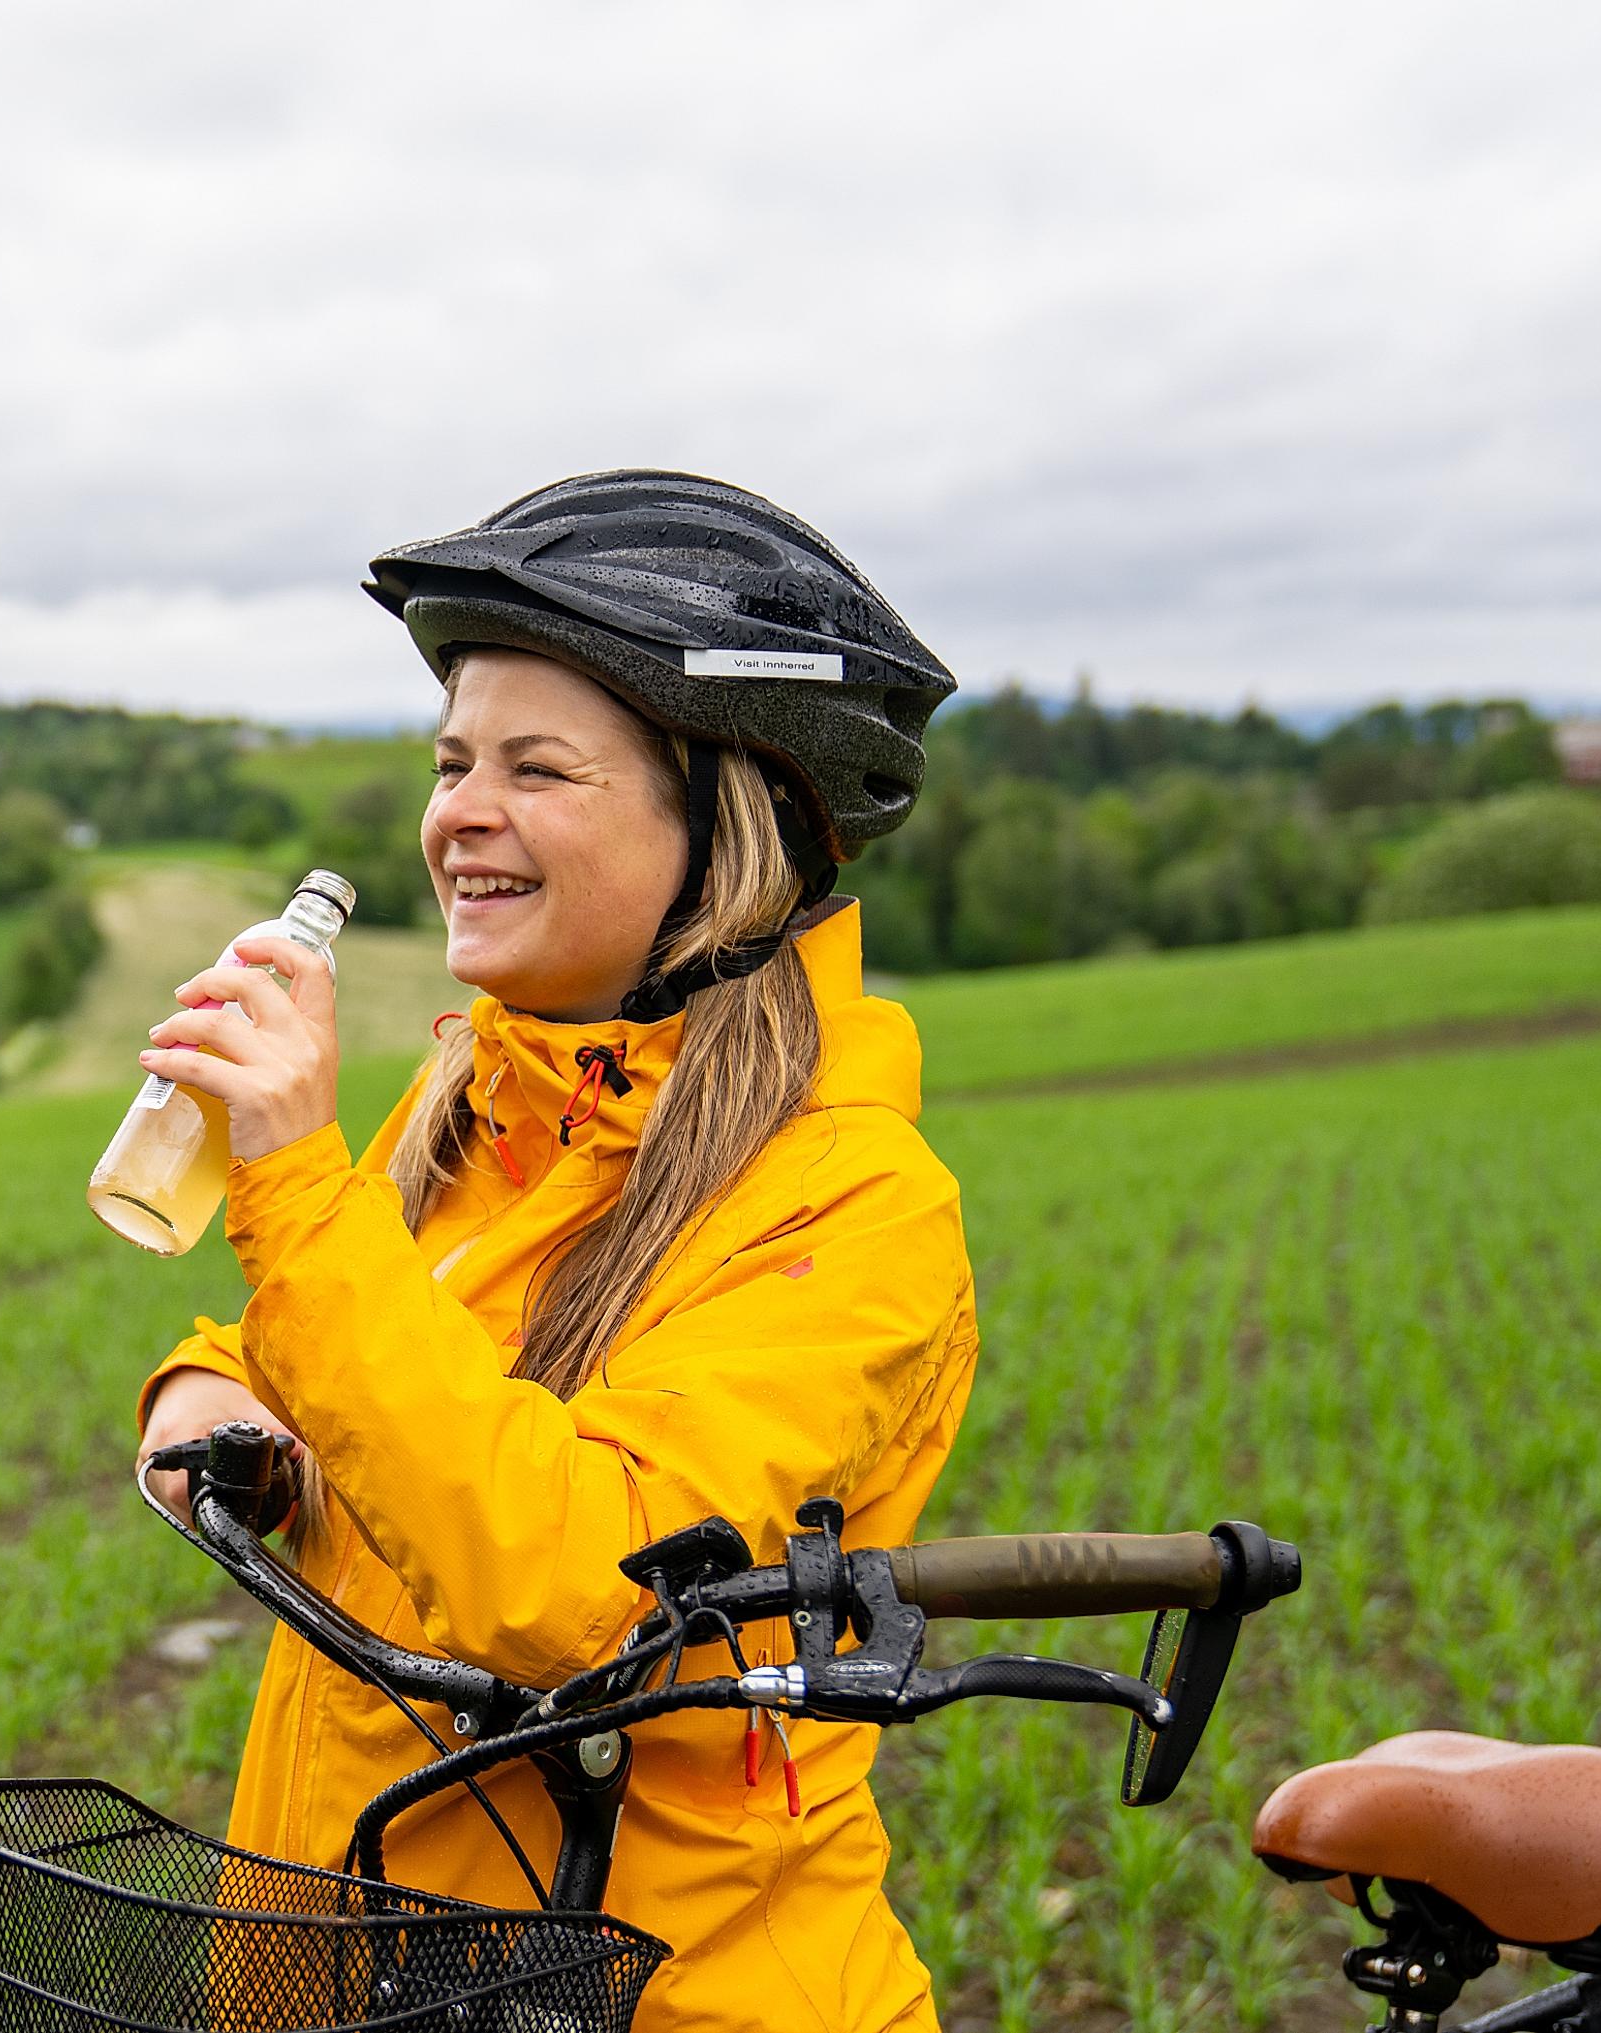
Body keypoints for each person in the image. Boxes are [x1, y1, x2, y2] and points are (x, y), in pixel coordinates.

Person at [136, 472, 975, 2032]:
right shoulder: (484, 1091)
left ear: (720, 825)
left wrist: (295, 1183)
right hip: (376, 1967)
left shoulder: (852, 1204)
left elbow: (579, 1581)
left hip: (652, 1996)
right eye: (454, 761)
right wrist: (201, 1394)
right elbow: (368, 1355)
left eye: (538, 766)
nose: (459, 813)